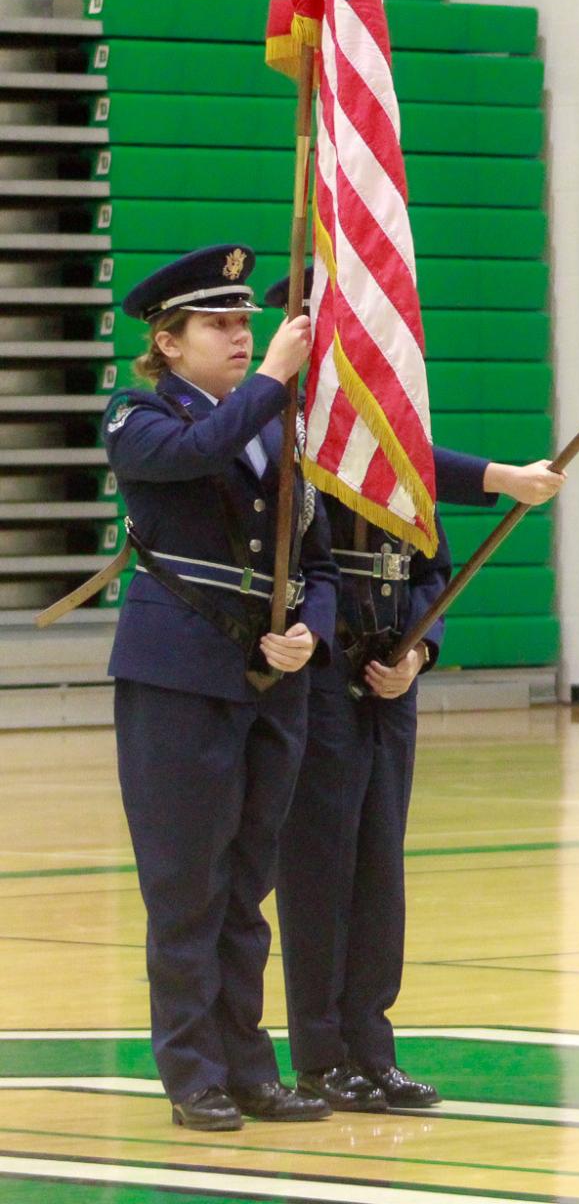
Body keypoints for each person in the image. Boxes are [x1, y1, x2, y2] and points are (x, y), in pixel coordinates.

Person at [267, 270, 566, 1112]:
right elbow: (384, 480)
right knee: (319, 869)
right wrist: (500, 476)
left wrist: (420, 656)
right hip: (319, 681)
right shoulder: (296, 443)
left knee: (377, 873)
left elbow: (429, 571)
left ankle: (372, 1047)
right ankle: (321, 1056)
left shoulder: (390, 465)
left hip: (385, 687)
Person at [104, 244, 338, 1131]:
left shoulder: (276, 426)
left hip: (270, 685)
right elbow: (200, 449)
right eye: (219, 325)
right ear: (168, 343)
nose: (243, 337)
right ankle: (192, 1073)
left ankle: (249, 1066)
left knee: (248, 888)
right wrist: (275, 381)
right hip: (179, 680)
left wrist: (311, 626)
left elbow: (314, 559)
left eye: (247, 323)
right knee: (186, 886)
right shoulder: (137, 417)